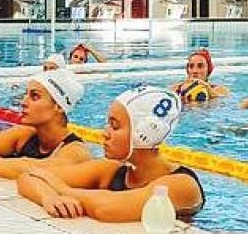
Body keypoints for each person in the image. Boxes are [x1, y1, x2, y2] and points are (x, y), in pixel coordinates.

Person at [16, 87, 204, 222]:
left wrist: (61, 189)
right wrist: (48, 197)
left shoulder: (181, 184)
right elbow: (29, 175)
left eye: (115, 126)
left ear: (145, 134)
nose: (104, 133)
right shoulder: (111, 169)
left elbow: (107, 209)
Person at [0, 71, 90, 179]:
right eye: (26, 94)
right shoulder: (23, 134)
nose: (23, 102)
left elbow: (32, 171)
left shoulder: (75, 151)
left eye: (34, 96)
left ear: (58, 107)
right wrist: (6, 165)